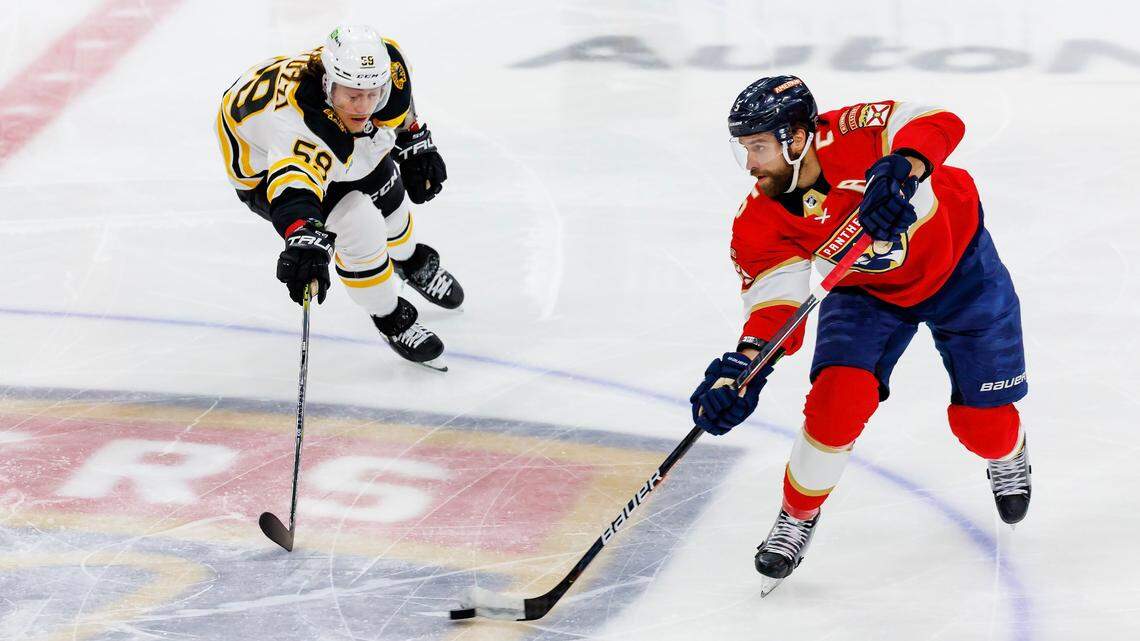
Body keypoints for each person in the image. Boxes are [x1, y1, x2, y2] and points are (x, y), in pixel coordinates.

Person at [688, 75, 1031, 589]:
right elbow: (776, 303)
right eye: (745, 149)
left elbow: (940, 120)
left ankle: (1008, 454)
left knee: (979, 426)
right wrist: (748, 364)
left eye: (758, 147)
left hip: (961, 272)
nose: (751, 164)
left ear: (797, 137)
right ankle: (797, 517)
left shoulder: (854, 130)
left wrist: (904, 166)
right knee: (836, 402)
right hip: (864, 293)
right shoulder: (758, 218)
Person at [214, 24, 463, 371]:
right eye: (353, 96)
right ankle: (389, 315)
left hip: (323, 129)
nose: (364, 105)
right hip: (261, 166)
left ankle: (407, 258)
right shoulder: (300, 126)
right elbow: (293, 192)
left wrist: (413, 137)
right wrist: (302, 235)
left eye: (373, 93)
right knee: (358, 223)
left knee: (389, 190)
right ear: (329, 84)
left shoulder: (383, 65)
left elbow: (395, 89)